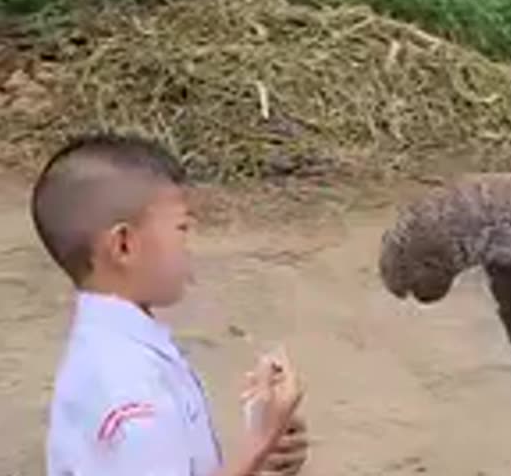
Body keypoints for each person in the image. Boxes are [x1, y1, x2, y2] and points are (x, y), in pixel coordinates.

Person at [33, 132, 309, 476]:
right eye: (181, 228)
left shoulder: (123, 350)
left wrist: (261, 457)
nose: (189, 247)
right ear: (123, 246)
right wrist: (259, 442)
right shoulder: (128, 388)